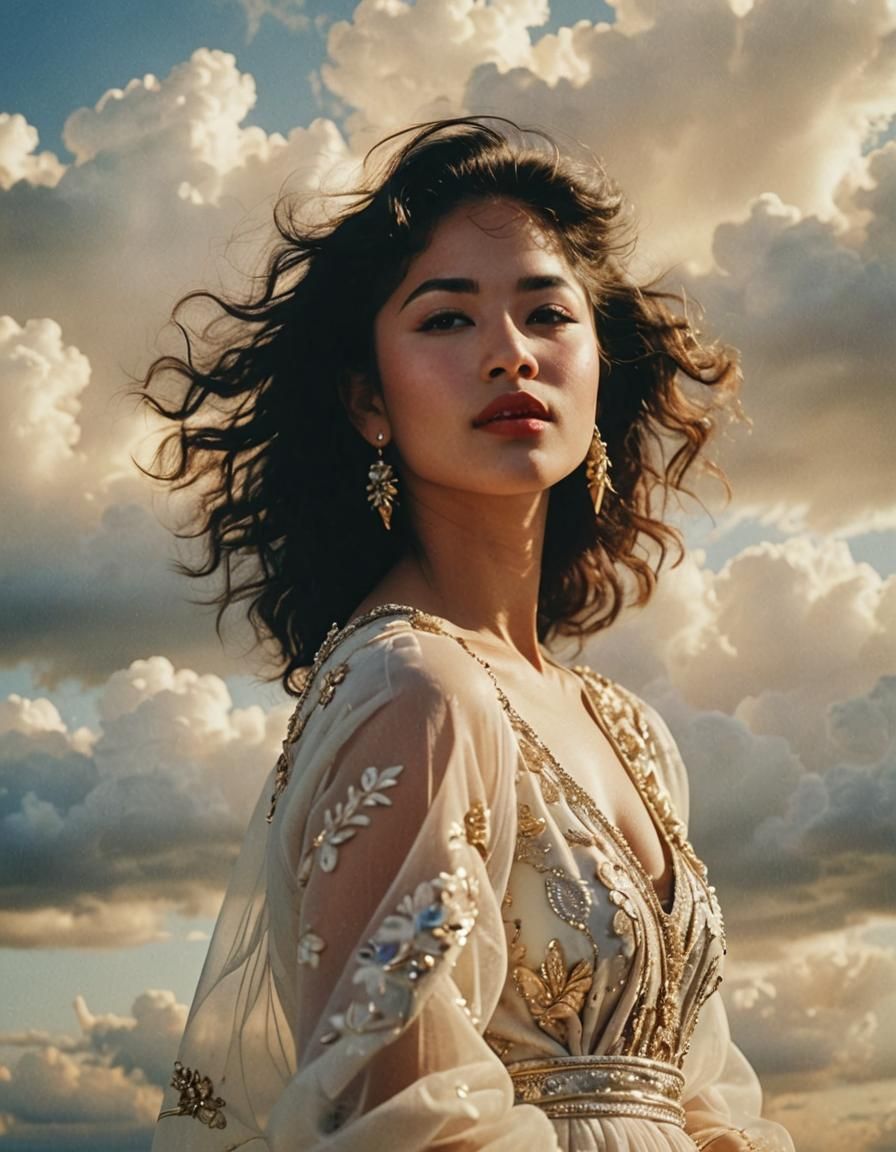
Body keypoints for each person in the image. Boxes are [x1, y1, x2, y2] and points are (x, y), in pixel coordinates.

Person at [146, 118, 793, 1151]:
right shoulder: (416, 691)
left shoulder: (626, 729)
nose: (507, 354)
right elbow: (404, 1128)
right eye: (446, 321)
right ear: (368, 401)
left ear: (595, 365)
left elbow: (703, 1097)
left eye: (546, 312)